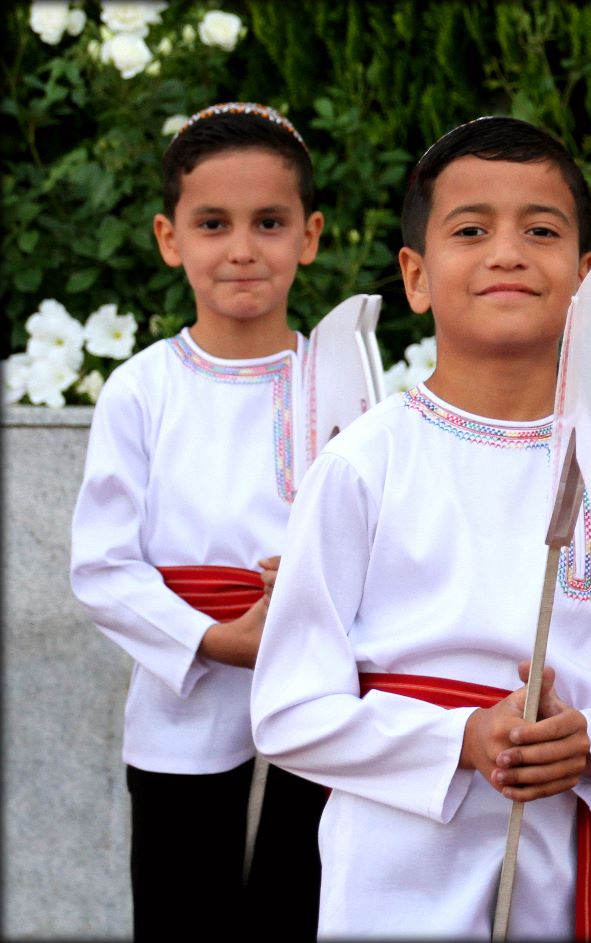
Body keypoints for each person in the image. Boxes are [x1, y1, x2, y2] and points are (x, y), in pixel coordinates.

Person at [248, 115, 591, 940]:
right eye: (471, 230)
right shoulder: (366, 463)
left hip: (564, 850)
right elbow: (290, 709)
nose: (507, 251)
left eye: (540, 230)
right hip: (395, 857)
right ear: (416, 274)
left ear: (585, 277)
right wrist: (461, 739)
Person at [69, 102, 331, 940]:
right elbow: (104, 567)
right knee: (185, 910)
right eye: (213, 223)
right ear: (169, 236)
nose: (243, 248)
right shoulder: (142, 389)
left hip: (324, 699)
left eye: (270, 222)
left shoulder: (346, 388)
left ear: (310, 234)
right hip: (184, 702)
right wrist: (219, 641)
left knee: (306, 906)